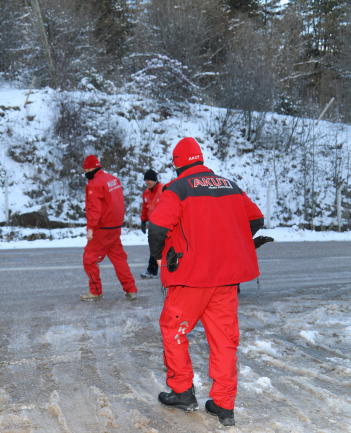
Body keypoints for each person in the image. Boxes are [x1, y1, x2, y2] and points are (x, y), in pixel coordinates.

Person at [148, 137, 264, 427]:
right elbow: (256, 219)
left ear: (176, 164)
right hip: (226, 280)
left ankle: (183, 392)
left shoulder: (177, 188)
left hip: (191, 280)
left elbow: (157, 227)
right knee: (224, 341)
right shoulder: (229, 185)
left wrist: (160, 257)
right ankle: (224, 406)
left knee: (173, 329)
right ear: (200, 158)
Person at [80, 155, 138, 301]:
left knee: (89, 259)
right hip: (115, 226)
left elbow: (94, 209)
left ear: (92, 168)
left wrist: (91, 229)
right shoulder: (113, 179)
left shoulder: (94, 184)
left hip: (102, 228)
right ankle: (131, 290)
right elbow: (118, 201)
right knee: (119, 258)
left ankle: (96, 291)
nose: (86, 172)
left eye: (86, 170)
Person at [140, 169, 163, 279]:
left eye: (148, 180)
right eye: (145, 180)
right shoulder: (146, 192)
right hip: (153, 225)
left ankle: (153, 270)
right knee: (154, 247)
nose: (146, 182)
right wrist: (143, 221)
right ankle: (152, 270)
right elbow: (145, 208)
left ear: (154, 180)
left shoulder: (164, 190)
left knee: (162, 247)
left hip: (163, 224)